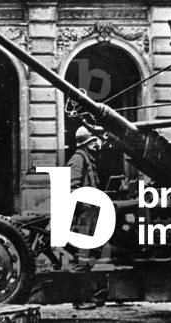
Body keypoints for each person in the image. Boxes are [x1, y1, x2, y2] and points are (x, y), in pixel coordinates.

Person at [66, 126, 105, 309]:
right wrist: (86, 206)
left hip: (89, 216)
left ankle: (87, 296)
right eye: (95, 140)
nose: (98, 144)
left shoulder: (88, 159)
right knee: (81, 258)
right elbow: (70, 189)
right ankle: (80, 300)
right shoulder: (78, 159)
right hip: (83, 218)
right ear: (88, 143)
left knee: (89, 256)